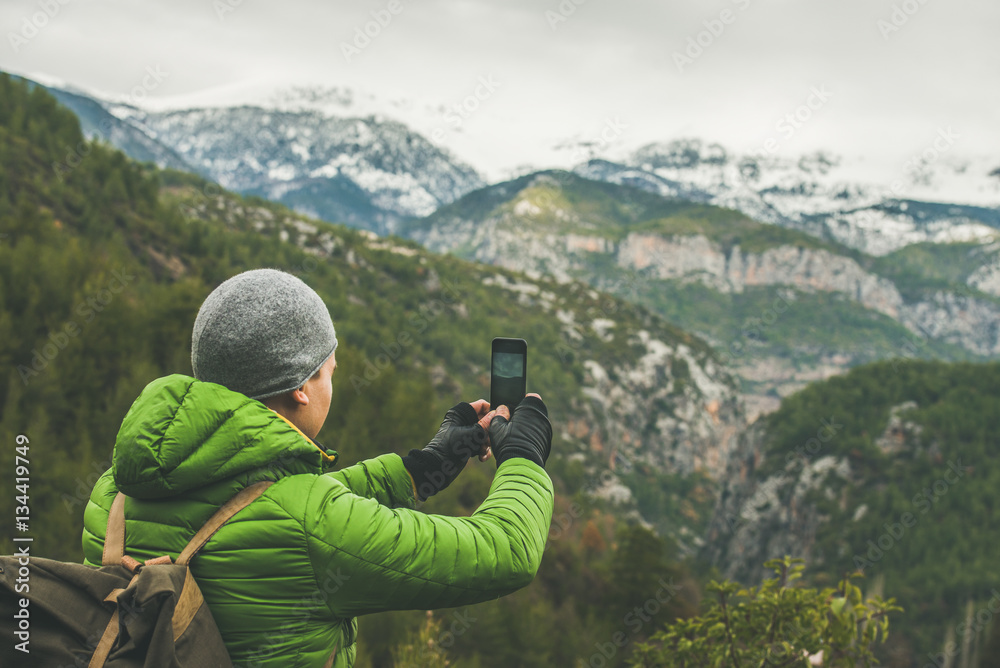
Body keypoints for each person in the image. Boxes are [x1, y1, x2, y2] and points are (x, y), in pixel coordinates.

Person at [81, 268, 554, 668]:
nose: (334, 381)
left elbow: (254, 506)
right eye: (330, 369)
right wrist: (525, 458)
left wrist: (420, 467)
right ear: (302, 388)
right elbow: (505, 551)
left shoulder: (114, 493)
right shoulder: (310, 526)